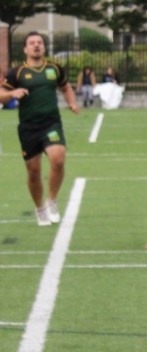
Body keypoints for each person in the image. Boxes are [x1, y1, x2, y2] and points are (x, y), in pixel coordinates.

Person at [0, 31, 80, 226]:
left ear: (44, 47)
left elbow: (66, 87)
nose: (36, 46)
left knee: (58, 159)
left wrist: (72, 103)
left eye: (39, 43)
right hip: (28, 127)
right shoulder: (17, 72)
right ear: (25, 49)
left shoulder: (54, 68)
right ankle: (40, 208)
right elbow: (1, 93)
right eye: (32, 43)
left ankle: (52, 200)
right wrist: (13, 94)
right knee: (34, 171)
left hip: (51, 123)